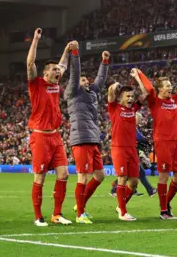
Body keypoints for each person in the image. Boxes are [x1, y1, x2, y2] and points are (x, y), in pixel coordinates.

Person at [132, 57, 177, 220]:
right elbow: (149, 87)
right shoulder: (155, 101)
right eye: (167, 86)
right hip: (163, 142)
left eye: (170, 85)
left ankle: (165, 204)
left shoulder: (175, 100)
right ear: (160, 89)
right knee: (164, 176)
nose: (170, 87)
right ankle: (164, 211)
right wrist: (140, 74)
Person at [26, 28, 73, 227]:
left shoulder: (55, 83)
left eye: (57, 70)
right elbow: (29, 63)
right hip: (40, 137)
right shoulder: (36, 84)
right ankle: (38, 216)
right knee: (40, 176)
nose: (57, 72)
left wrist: (67, 49)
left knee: (64, 173)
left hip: (55, 136)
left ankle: (57, 214)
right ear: (44, 73)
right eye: (53, 70)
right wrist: (35, 40)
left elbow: (63, 64)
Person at [65, 47, 110, 224]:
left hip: (93, 138)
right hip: (81, 139)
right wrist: (74, 54)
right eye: (83, 80)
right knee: (82, 176)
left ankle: (80, 204)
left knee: (99, 175)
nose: (86, 81)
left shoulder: (92, 94)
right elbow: (75, 74)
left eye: (87, 80)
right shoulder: (73, 92)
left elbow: (100, 80)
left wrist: (104, 62)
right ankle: (80, 214)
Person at [107, 83, 142, 221]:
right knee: (122, 178)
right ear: (121, 98)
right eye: (127, 96)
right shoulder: (114, 107)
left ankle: (120, 206)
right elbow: (110, 92)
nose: (131, 98)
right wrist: (114, 85)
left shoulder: (133, 109)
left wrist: (138, 77)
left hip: (132, 148)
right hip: (119, 147)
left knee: (134, 181)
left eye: (132, 96)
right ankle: (123, 212)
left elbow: (146, 93)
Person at [109, 113, 157, 198]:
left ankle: (123, 188)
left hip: (132, 152)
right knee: (137, 173)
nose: (140, 121)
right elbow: (139, 138)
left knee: (134, 173)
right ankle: (149, 190)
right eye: (139, 119)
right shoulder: (131, 127)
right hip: (128, 153)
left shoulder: (133, 127)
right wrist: (147, 142)